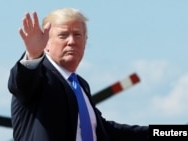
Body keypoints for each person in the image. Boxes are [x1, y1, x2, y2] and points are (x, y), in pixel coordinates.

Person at [8, 7, 149, 141]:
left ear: (85, 41)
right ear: (46, 43)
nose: (72, 41)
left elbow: (104, 131)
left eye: (77, 35)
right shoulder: (39, 77)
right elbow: (20, 84)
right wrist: (33, 55)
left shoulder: (80, 85)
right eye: (63, 35)